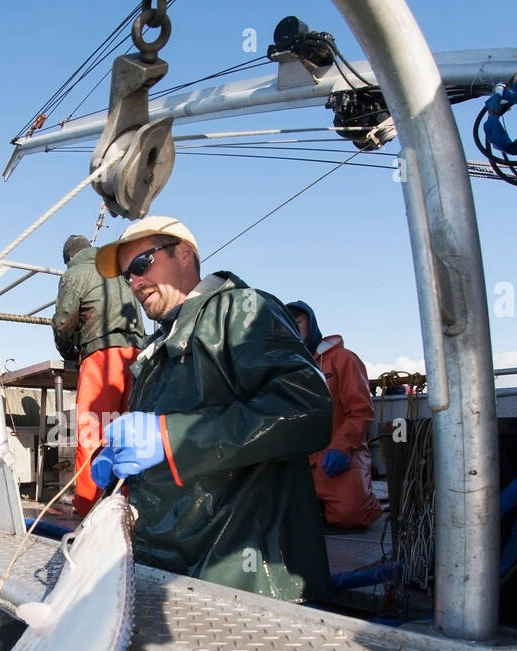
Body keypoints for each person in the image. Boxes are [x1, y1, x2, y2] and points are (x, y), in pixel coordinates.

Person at [90, 216, 334, 603]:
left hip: (243, 582)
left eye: (141, 265)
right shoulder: (156, 351)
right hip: (168, 571)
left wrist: (173, 438)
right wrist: (120, 473)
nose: (134, 283)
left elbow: (307, 408)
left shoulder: (242, 310)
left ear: (184, 254)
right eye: (127, 277)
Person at [51, 234, 145, 517]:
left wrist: (67, 351)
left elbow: (65, 321)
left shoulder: (74, 273)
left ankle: (88, 506)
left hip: (102, 354)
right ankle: (124, 505)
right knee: (127, 432)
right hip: (136, 356)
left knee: (92, 431)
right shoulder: (117, 272)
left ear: (69, 258)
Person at [287, 300, 383, 530]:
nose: (293, 325)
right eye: (287, 321)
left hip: (338, 456)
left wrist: (341, 448)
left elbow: (361, 411)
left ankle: (360, 497)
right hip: (299, 460)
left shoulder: (344, 359)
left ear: (311, 324)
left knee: (352, 514)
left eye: (298, 320)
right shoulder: (284, 367)